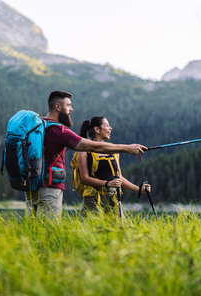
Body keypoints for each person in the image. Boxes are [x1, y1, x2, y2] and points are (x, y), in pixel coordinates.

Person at [25, 90, 147, 220]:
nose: (71, 109)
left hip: (31, 185)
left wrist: (138, 189)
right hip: (49, 188)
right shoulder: (59, 130)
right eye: (68, 105)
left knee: (33, 230)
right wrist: (128, 148)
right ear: (58, 107)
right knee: (48, 232)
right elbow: (92, 146)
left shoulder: (38, 126)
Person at [77, 116, 151, 217]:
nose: (110, 128)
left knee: (119, 231)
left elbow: (118, 177)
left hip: (113, 198)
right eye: (107, 125)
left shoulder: (114, 151)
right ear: (97, 129)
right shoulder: (83, 151)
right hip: (93, 200)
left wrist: (138, 189)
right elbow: (85, 179)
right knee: (93, 231)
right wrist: (107, 183)